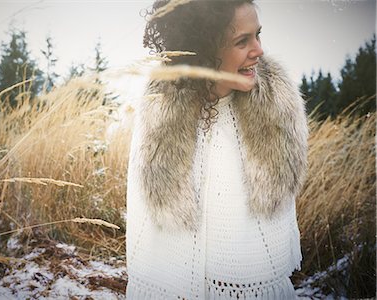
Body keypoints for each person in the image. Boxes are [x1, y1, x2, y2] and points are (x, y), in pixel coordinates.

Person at [126, 0, 309, 299]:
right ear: (206, 49)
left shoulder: (276, 102)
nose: (259, 50)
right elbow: (144, 213)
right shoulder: (160, 107)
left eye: (258, 35)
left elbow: (277, 214)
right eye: (242, 41)